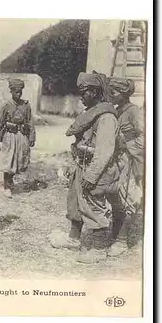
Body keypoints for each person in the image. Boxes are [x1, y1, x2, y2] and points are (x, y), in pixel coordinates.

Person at [50, 72, 125, 264]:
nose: (81, 96)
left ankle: (99, 250)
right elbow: (80, 143)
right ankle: (73, 238)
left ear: (94, 92)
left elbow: (104, 152)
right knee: (75, 201)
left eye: (84, 92)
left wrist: (91, 176)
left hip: (100, 170)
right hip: (83, 164)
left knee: (94, 204)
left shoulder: (106, 117)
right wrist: (72, 165)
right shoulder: (90, 113)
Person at [106, 77, 144, 256]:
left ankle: (121, 241)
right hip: (117, 160)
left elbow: (145, 136)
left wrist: (127, 146)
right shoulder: (116, 111)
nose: (111, 96)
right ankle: (114, 235)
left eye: (114, 93)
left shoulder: (134, 111)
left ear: (123, 93)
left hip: (130, 160)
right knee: (115, 197)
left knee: (129, 199)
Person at [0, 78, 36, 198]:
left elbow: (30, 121)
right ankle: (7, 186)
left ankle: (10, 181)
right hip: (9, 136)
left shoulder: (25, 105)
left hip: (21, 136)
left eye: (20, 91)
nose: (18, 94)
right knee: (8, 161)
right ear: (11, 91)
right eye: (16, 91)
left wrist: (32, 136)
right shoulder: (6, 105)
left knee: (18, 160)